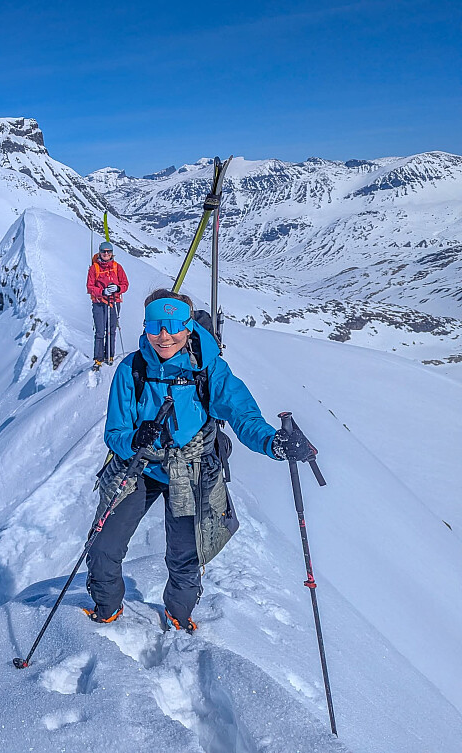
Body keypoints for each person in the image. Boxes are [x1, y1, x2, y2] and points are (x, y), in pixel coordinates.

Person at [84, 288, 313, 630]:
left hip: (191, 469)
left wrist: (272, 443)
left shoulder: (209, 369)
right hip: (140, 466)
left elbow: (242, 415)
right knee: (104, 546)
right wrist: (134, 439)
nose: (164, 336)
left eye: (174, 326)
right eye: (155, 326)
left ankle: (178, 614)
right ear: (145, 327)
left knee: (185, 555)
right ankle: (106, 610)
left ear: (188, 326)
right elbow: (115, 433)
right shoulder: (131, 369)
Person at [86, 241, 128, 369]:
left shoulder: (117, 267)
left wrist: (118, 288)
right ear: (99, 252)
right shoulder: (94, 268)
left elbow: (125, 284)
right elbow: (90, 287)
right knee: (100, 331)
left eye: (108, 252)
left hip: (114, 301)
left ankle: (110, 355)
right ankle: (98, 358)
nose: (106, 254)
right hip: (99, 303)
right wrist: (102, 291)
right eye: (103, 251)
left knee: (111, 330)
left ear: (112, 253)